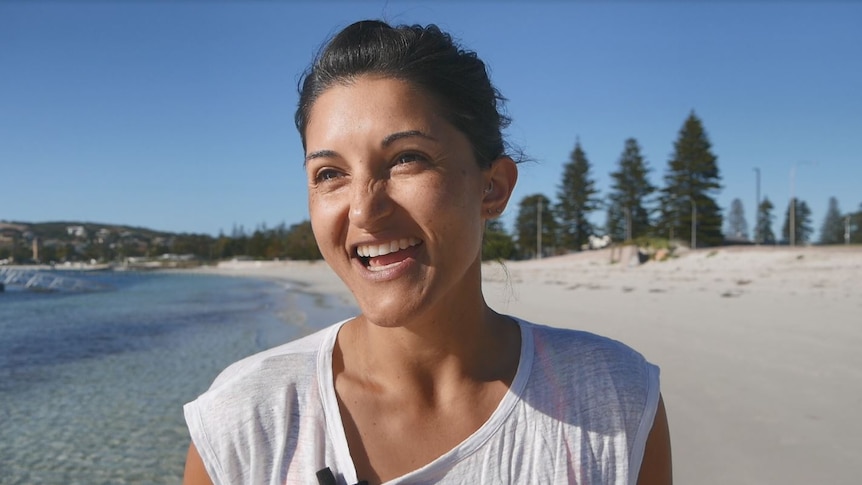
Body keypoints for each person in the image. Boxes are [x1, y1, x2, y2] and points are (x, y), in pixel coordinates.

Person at [183, 19, 671, 485]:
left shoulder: (612, 398)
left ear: (493, 188)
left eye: (406, 159)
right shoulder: (247, 418)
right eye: (330, 173)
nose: (364, 211)